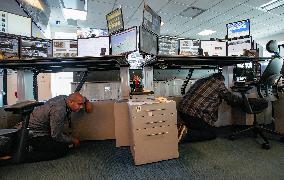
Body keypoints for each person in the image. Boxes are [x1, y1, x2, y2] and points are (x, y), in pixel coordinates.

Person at [26, 92, 93, 162]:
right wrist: (72, 140)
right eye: (79, 104)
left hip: (44, 131)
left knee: (65, 142)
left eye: (82, 104)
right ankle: (28, 155)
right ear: (70, 102)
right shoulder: (59, 110)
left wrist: (86, 101)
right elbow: (55, 135)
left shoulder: (65, 98)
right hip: (34, 134)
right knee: (62, 149)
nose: (81, 107)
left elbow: (83, 102)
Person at [178, 73, 243, 143]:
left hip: (182, 111)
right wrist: (242, 101)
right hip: (194, 115)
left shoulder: (200, 81)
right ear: (221, 80)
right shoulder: (218, 83)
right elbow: (231, 99)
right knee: (211, 133)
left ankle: (183, 128)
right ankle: (184, 135)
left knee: (199, 127)